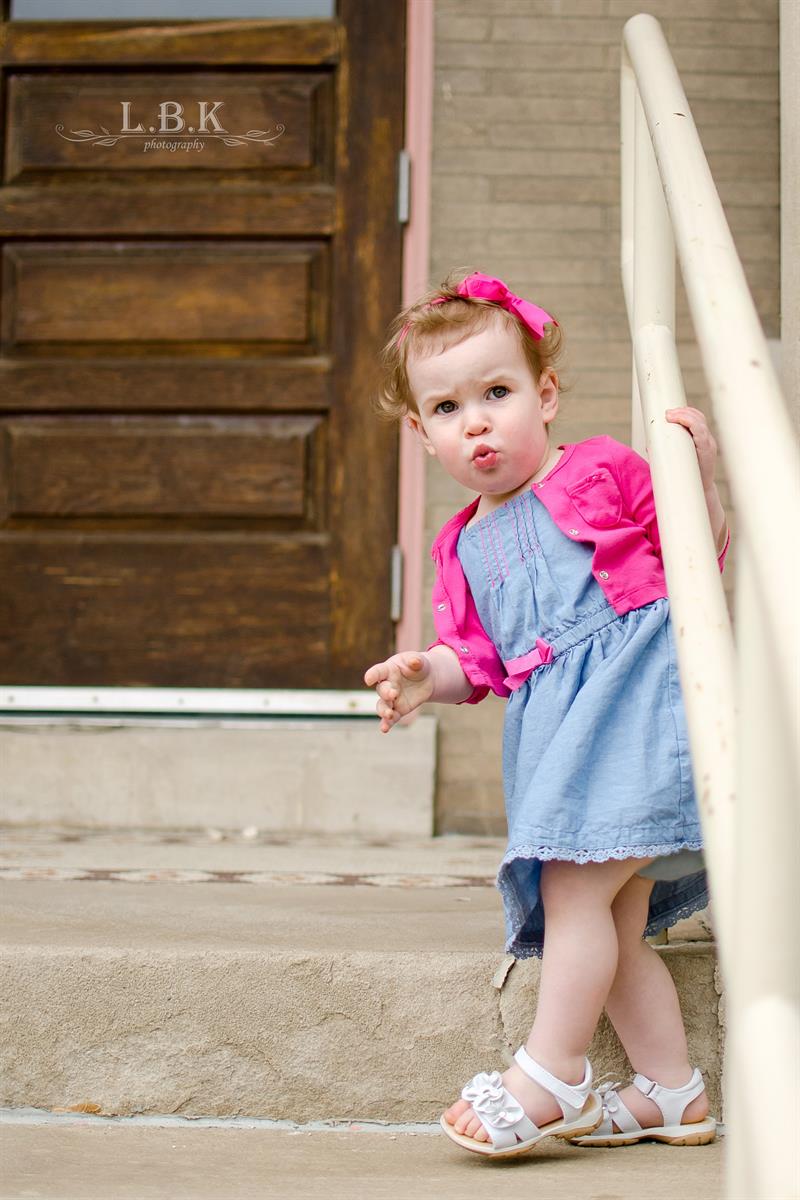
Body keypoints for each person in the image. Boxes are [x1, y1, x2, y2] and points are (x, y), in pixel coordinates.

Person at [363, 270, 729, 1159]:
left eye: (498, 393)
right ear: (421, 433)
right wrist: (426, 676)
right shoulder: (460, 544)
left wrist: (703, 483)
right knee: (611, 923)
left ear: (546, 395)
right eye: (447, 408)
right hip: (564, 744)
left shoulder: (601, 469)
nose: (477, 423)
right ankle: (673, 1092)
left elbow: (698, 555)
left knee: (573, 894)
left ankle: (553, 1070)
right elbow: (479, 661)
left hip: (636, 718)